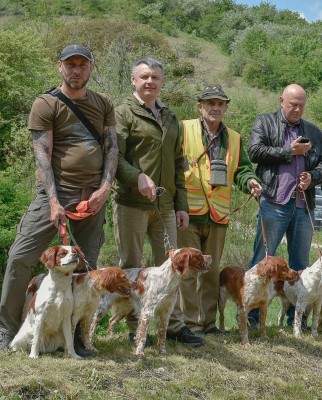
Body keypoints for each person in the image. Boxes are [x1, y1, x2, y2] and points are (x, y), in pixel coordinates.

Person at [0, 44, 118, 354]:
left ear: (91, 68)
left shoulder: (104, 103)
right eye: (70, 64)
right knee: (20, 257)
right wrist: (53, 201)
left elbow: (112, 149)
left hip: (93, 196)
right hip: (55, 193)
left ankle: (77, 337)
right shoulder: (46, 104)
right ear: (60, 67)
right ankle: (6, 331)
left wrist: (104, 190)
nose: (76, 69)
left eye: (82, 64)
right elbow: (43, 154)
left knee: (86, 270)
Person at [113, 56, 204, 346]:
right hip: (131, 204)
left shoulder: (170, 117)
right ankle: (132, 328)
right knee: (130, 265)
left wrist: (181, 206)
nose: (150, 81)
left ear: (162, 82)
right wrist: (137, 177)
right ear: (133, 80)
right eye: (144, 77)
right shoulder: (123, 113)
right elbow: (115, 157)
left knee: (173, 269)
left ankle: (174, 326)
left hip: (165, 207)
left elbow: (179, 164)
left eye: (155, 77)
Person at [176, 84, 262, 337]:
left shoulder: (234, 138)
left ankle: (208, 324)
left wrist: (250, 181)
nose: (215, 107)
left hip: (218, 215)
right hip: (187, 212)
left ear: (225, 108)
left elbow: (242, 169)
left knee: (211, 272)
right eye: (209, 103)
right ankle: (189, 325)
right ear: (199, 106)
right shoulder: (183, 128)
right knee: (189, 272)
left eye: (220, 104)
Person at [247, 83, 322, 328]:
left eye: (301, 105)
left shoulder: (314, 131)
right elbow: (255, 152)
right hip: (272, 202)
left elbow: (321, 165)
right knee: (263, 260)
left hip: (303, 205)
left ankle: (295, 320)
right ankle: (251, 316)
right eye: (292, 104)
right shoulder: (264, 122)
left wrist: (313, 177)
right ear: (281, 101)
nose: (297, 109)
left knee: (300, 264)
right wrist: (288, 151)